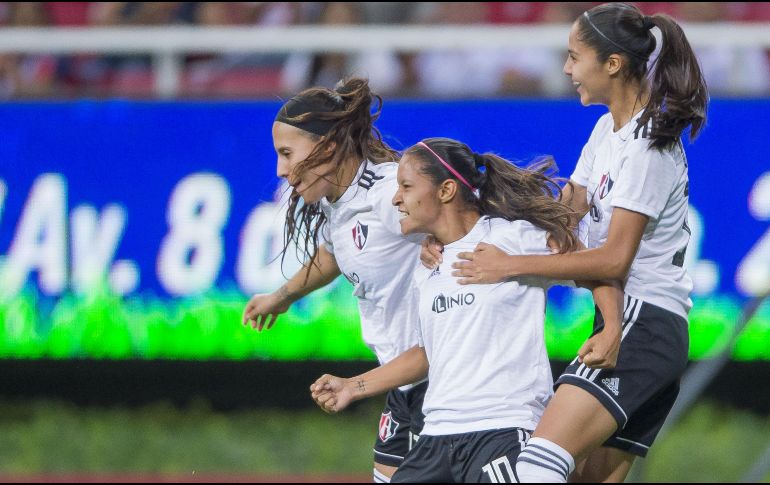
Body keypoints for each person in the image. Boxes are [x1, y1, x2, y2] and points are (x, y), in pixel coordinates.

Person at [429, 3, 708, 482]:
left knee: (538, 464)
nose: (566, 69)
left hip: (643, 322)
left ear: (613, 64)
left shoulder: (647, 148)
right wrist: (463, 234)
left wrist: (509, 266)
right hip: (635, 322)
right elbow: (565, 212)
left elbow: (615, 259)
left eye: (575, 56)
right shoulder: (609, 130)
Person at [310, 137, 624, 483]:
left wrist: (610, 329)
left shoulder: (514, 238)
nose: (396, 198)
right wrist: (352, 387)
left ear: (445, 190)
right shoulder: (427, 265)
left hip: (502, 431)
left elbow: (597, 271)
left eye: (406, 186)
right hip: (435, 438)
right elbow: (428, 354)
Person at [241, 77, 426, 483]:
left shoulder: (387, 194)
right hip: (406, 382)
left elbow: (456, 216)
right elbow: (334, 253)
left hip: (447, 381)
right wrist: (282, 296)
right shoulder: (339, 202)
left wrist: (450, 246)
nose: (281, 170)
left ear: (326, 147)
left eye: (287, 154)